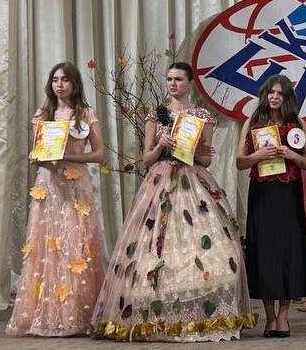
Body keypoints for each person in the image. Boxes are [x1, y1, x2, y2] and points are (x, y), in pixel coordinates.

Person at [92, 62, 255, 341]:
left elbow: (205, 160)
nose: (172, 83)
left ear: (190, 82)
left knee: (214, 247)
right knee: (155, 246)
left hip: (193, 178)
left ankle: (199, 313)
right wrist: (161, 145)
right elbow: (147, 158)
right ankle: (157, 315)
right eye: (169, 78)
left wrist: (200, 151)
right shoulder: (157, 113)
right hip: (161, 179)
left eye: (178, 79)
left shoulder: (201, 116)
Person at [8, 62, 107, 337]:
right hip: (49, 185)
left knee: (76, 245)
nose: (59, 85)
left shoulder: (86, 113)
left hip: (75, 186)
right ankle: (51, 314)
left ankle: (78, 312)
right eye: (55, 80)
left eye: (64, 80)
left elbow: (99, 154)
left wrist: (67, 156)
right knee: (49, 246)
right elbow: (39, 152)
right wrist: (37, 157)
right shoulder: (43, 115)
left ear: (75, 83)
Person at [235, 74, 306, 338]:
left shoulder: (298, 124)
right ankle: (269, 317)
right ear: (265, 95)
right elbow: (239, 162)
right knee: (264, 252)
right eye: (271, 92)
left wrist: (291, 155)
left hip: (288, 195)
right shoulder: (253, 123)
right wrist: (258, 155)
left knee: (288, 251)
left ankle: (283, 316)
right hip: (262, 194)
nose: (275, 97)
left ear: (287, 97)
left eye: (280, 93)